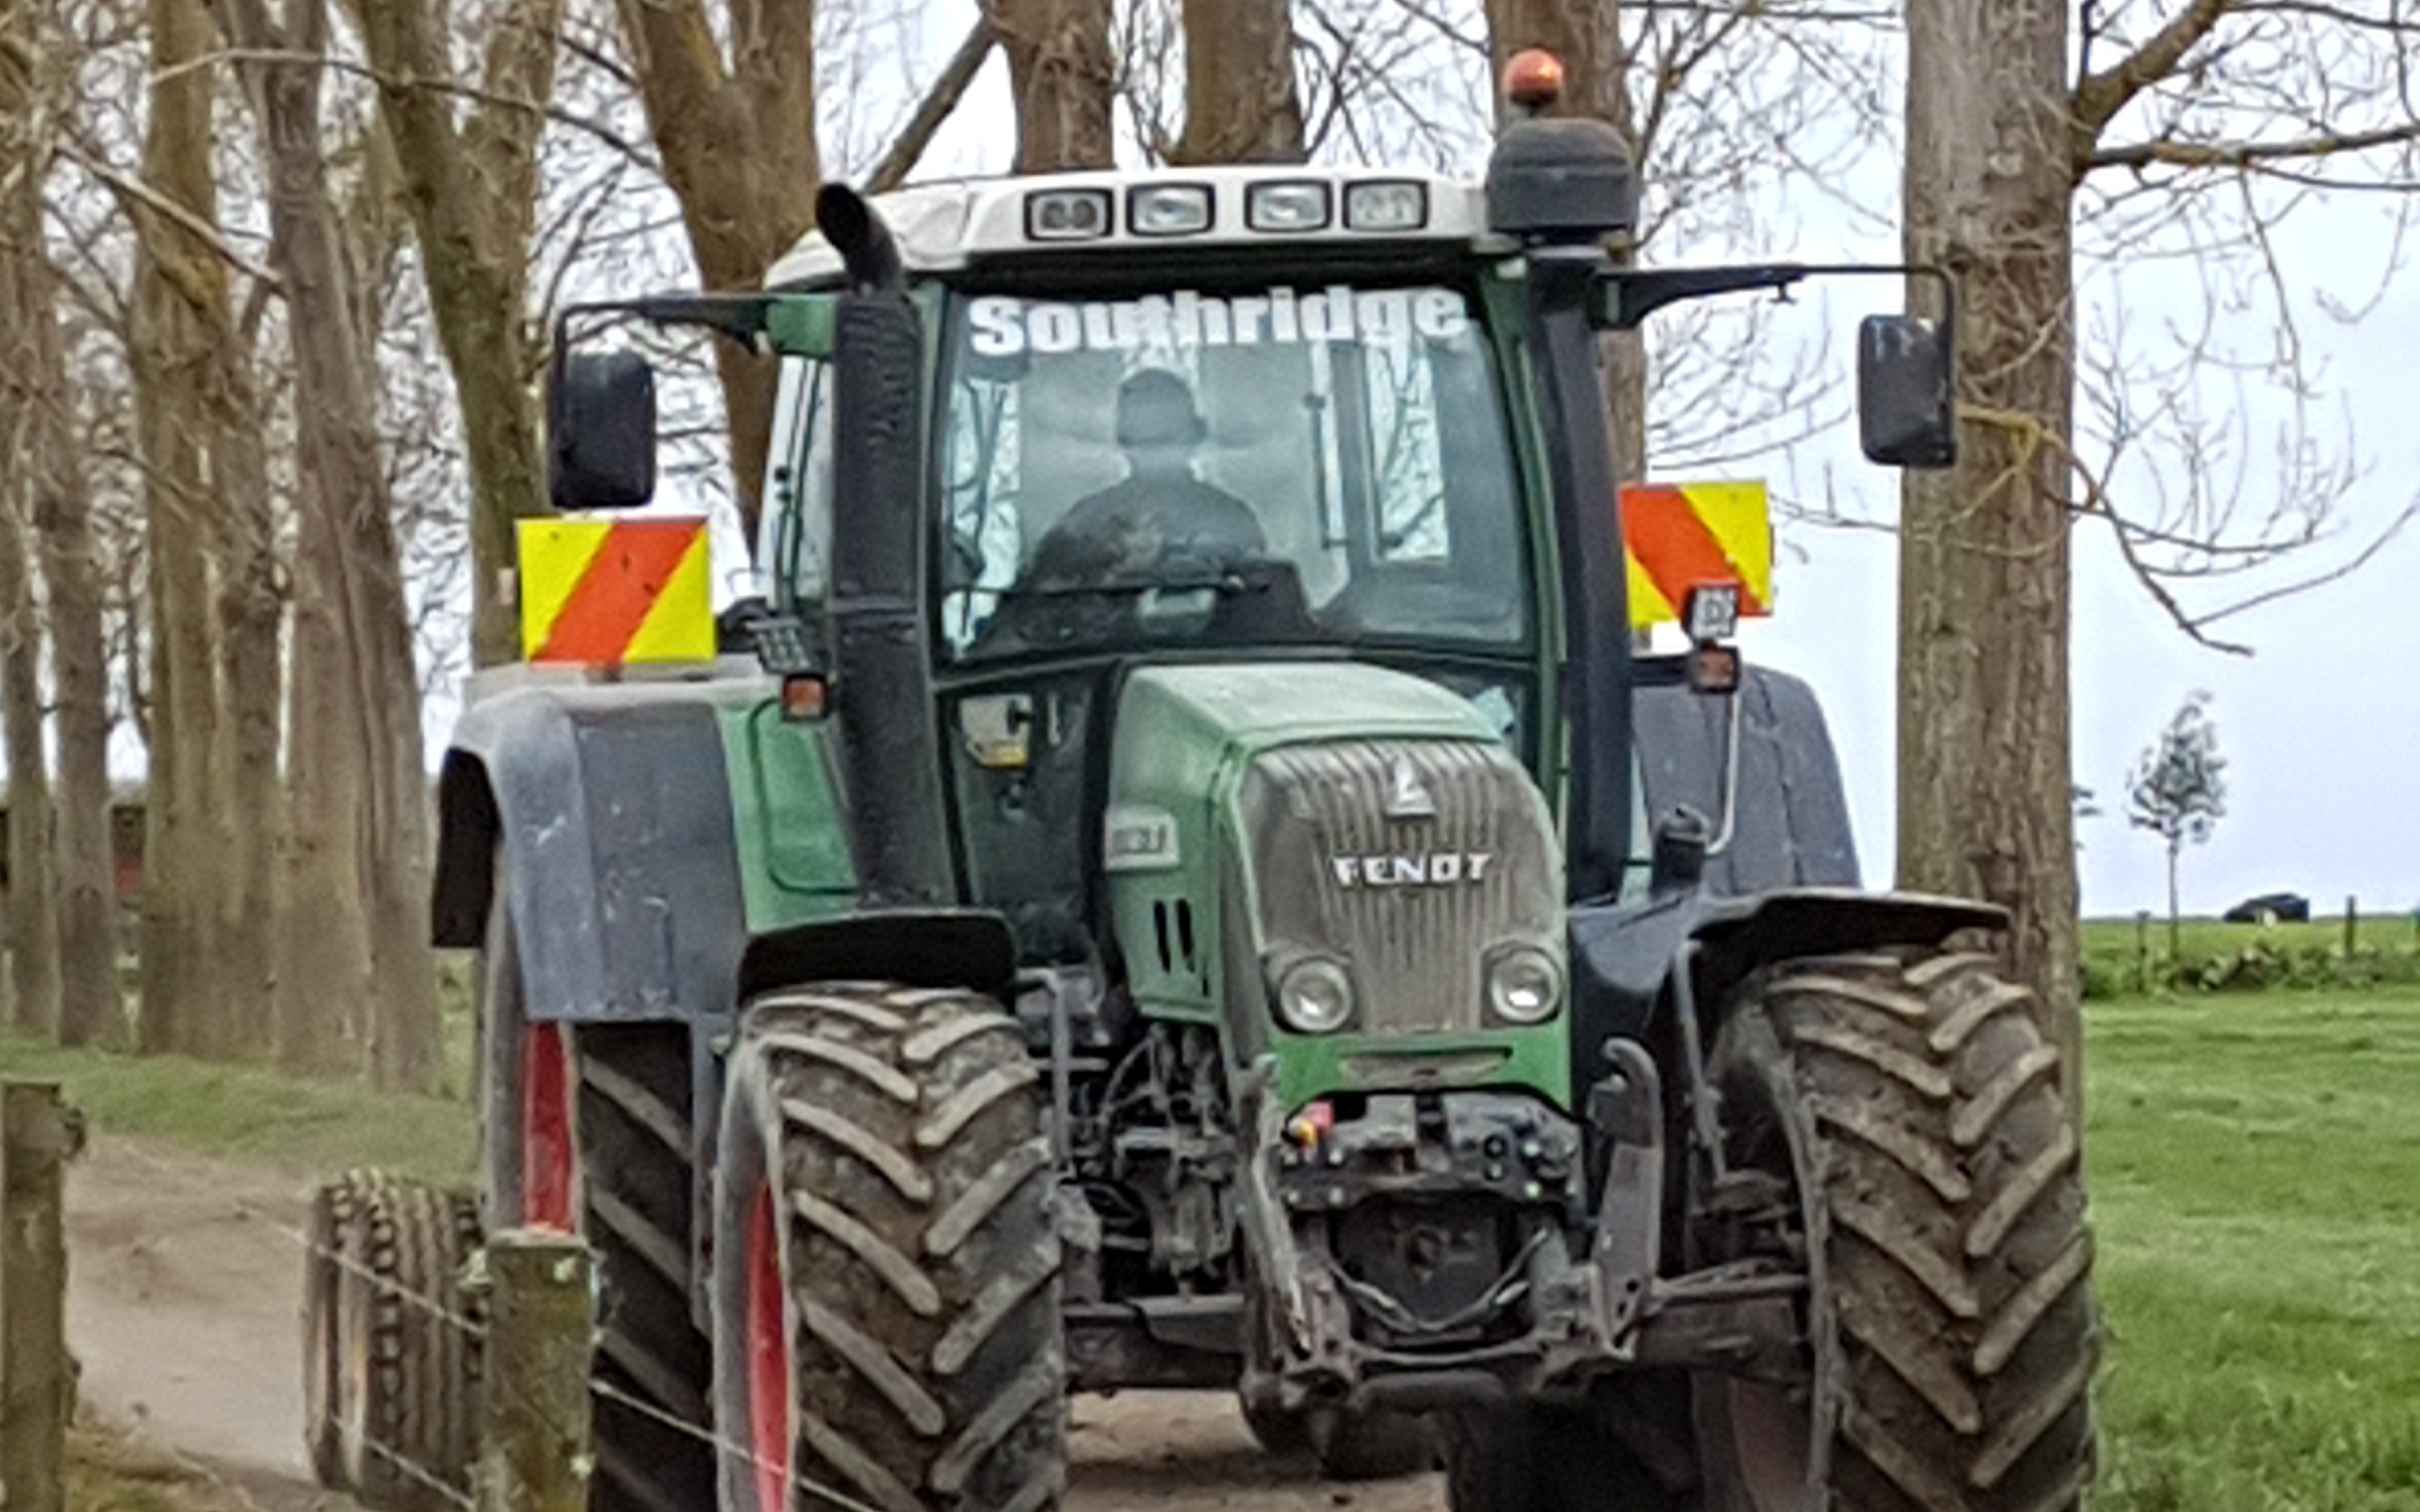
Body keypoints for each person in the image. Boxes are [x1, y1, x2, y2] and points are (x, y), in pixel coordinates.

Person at [1023, 369, 1266, 587]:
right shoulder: (1082, 527)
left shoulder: (1232, 522)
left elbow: (1265, 612)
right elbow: (1041, 612)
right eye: (1145, 441)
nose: (1156, 454)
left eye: (1167, 439)